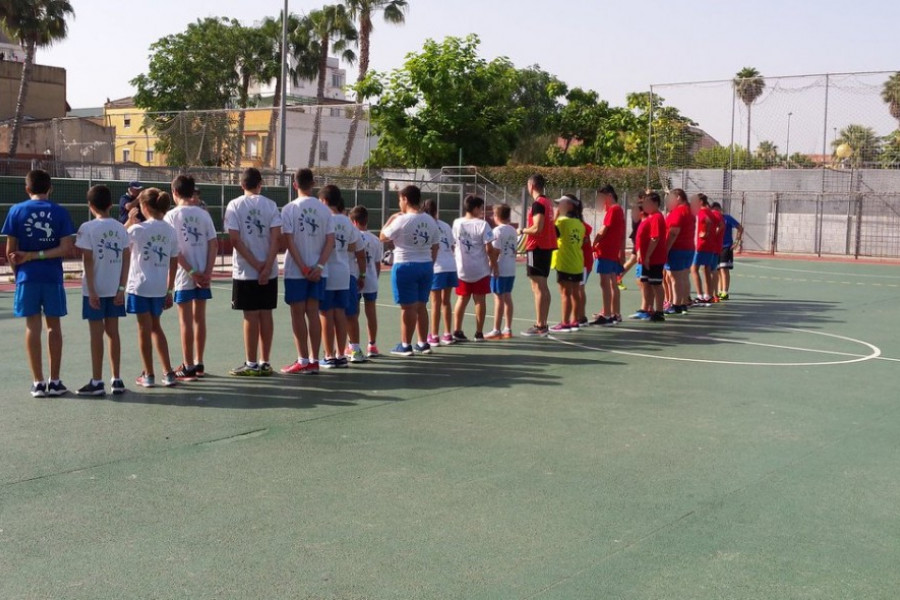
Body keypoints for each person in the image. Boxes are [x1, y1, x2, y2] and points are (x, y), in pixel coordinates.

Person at [2, 169, 76, 397]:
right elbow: (66, 248)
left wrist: (21, 270)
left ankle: (38, 383)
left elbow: (10, 251)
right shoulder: (60, 212)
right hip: (52, 278)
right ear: (50, 188)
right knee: (53, 327)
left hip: (27, 279)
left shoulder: (16, 211)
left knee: (32, 327)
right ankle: (55, 382)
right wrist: (39, 256)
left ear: (27, 189)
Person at [224, 168, 282, 376]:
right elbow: (277, 237)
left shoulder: (234, 205)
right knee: (266, 314)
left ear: (242, 185)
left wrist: (257, 266)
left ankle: (251, 363)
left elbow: (234, 240)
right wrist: (267, 266)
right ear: (261, 184)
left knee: (250, 316)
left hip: (246, 271)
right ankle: (265, 361)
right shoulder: (271, 205)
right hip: (269, 270)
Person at [74, 185, 130, 396]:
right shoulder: (120, 227)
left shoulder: (87, 228)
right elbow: (126, 258)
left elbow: (87, 261)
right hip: (114, 289)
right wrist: (122, 288)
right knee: (113, 333)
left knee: (96, 335)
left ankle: (97, 381)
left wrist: (93, 291)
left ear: (90, 206)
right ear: (111, 205)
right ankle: (116, 379)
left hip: (94, 291)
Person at [280, 168, 334, 375]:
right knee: (313, 313)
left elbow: (289, 240)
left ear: (295, 185)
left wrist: (303, 266)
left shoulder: (289, 209)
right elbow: (330, 241)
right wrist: (319, 266)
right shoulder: (324, 210)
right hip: (318, 271)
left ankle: (304, 360)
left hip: (297, 271)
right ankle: (313, 360)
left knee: (297, 314)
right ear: (313, 184)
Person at [164, 175, 218, 381]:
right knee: (199, 318)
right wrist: (207, 272)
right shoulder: (204, 215)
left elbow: (175, 250)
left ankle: (188, 366)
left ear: (175, 193)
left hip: (184, 276)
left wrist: (192, 272)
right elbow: (213, 244)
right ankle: (198, 361)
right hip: (202, 274)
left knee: (185, 321)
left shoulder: (171, 216)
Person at [124, 188, 180, 387]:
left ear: (144, 207)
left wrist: (129, 222)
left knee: (143, 330)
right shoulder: (170, 231)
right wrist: (169, 289)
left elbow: (119, 239)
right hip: (158, 287)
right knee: (156, 328)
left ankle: (148, 374)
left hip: (139, 287)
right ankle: (168, 372)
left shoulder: (138, 229)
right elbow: (174, 262)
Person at [379, 185, 440, 357]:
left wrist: (391, 218)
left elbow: (383, 237)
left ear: (405, 199)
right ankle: (422, 343)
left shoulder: (401, 219)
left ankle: (405, 345)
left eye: (400, 199)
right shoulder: (430, 220)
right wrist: (430, 263)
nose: (399, 203)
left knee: (407, 307)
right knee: (421, 305)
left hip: (405, 265)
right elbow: (436, 246)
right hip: (426, 265)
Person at [318, 185, 365, 368]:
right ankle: (340, 354)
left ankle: (329, 355)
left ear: (323, 201)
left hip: (327, 271)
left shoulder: (324, 220)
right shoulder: (347, 222)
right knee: (340, 314)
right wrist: (361, 274)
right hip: (344, 272)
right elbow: (356, 247)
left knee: (326, 314)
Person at [451, 195, 496, 342]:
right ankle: (479, 333)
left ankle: (457, 330)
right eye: (481, 208)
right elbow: (489, 248)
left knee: (461, 299)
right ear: (476, 208)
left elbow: (455, 243)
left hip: (462, 268)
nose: (482, 211)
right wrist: (494, 263)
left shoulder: (457, 223)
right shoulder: (483, 225)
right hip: (480, 269)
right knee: (480, 300)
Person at [517, 173, 557, 337]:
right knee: (543, 286)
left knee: (538, 287)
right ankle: (543, 324)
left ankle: (540, 325)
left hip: (537, 247)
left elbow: (537, 228)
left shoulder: (538, 204)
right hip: (546, 247)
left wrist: (522, 230)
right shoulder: (548, 203)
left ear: (531, 186)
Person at [423, 199, 457, 347]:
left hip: (437, 267)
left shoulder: (427, 226)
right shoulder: (445, 225)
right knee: (446, 301)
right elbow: (451, 245)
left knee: (435, 302)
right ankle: (448, 334)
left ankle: (435, 335)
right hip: (450, 265)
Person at [349, 205, 382, 357]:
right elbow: (377, 264)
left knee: (352, 313)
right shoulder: (375, 239)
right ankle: (372, 345)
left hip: (355, 277)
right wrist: (374, 277)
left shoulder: (353, 236)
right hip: (370, 278)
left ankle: (352, 345)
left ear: (354, 222)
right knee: (371, 312)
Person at [590, 184, 626, 326]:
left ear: (609, 196)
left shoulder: (613, 210)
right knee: (612, 283)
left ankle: (607, 315)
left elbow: (603, 230)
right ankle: (614, 313)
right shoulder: (619, 210)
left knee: (605, 283)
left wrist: (594, 242)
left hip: (606, 252)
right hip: (612, 252)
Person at [549, 195, 585, 333]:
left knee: (565, 293)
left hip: (566, 262)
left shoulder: (562, 222)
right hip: (577, 261)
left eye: (561, 204)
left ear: (569, 206)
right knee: (575, 293)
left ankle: (565, 322)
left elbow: (552, 234)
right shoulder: (579, 223)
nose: (558, 207)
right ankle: (574, 320)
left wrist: (555, 217)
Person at [485, 203, 517, 340]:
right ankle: (507, 328)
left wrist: (493, 268)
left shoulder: (497, 231)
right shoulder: (512, 230)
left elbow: (495, 252)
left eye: (493, 214)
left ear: (497, 216)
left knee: (498, 298)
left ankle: (496, 329)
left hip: (501, 269)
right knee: (507, 297)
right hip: (510, 268)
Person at [635, 191, 668, 322]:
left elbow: (655, 238)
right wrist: (640, 252)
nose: (645, 206)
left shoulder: (656, 217)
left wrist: (648, 256)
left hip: (655, 258)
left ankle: (659, 311)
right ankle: (648, 309)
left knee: (656, 284)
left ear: (655, 204)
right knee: (646, 283)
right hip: (646, 258)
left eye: (647, 203)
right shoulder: (650, 216)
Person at [664, 188, 696, 315]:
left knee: (675, 278)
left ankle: (676, 304)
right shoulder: (689, 212)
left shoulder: (678, 212)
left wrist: (666, 249)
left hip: (677, 248)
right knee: (683, 276)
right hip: (688, 248)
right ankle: (683, 303)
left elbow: (673, 232)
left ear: (677, 197)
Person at [690, 193, 720, 306]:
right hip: (710, 245)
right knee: (706, 269)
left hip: (700, 245)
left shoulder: (701, 212)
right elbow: (716, 223)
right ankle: (708, 295)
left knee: (694, 269)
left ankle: (700, 295)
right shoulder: (711, 213)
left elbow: (707, 221)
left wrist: (705, 232)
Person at [711, 202, 743, 300]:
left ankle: (725, 291)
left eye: (717, 210)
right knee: (717, 270)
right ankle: (720, 291)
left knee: (724, 269)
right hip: (715, 248)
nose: (716, 212)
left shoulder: (727, 218)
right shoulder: (711, 220)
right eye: (714, 211)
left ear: (720, 210)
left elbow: (740, 228)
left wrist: (737, 242)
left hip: (726, 246)